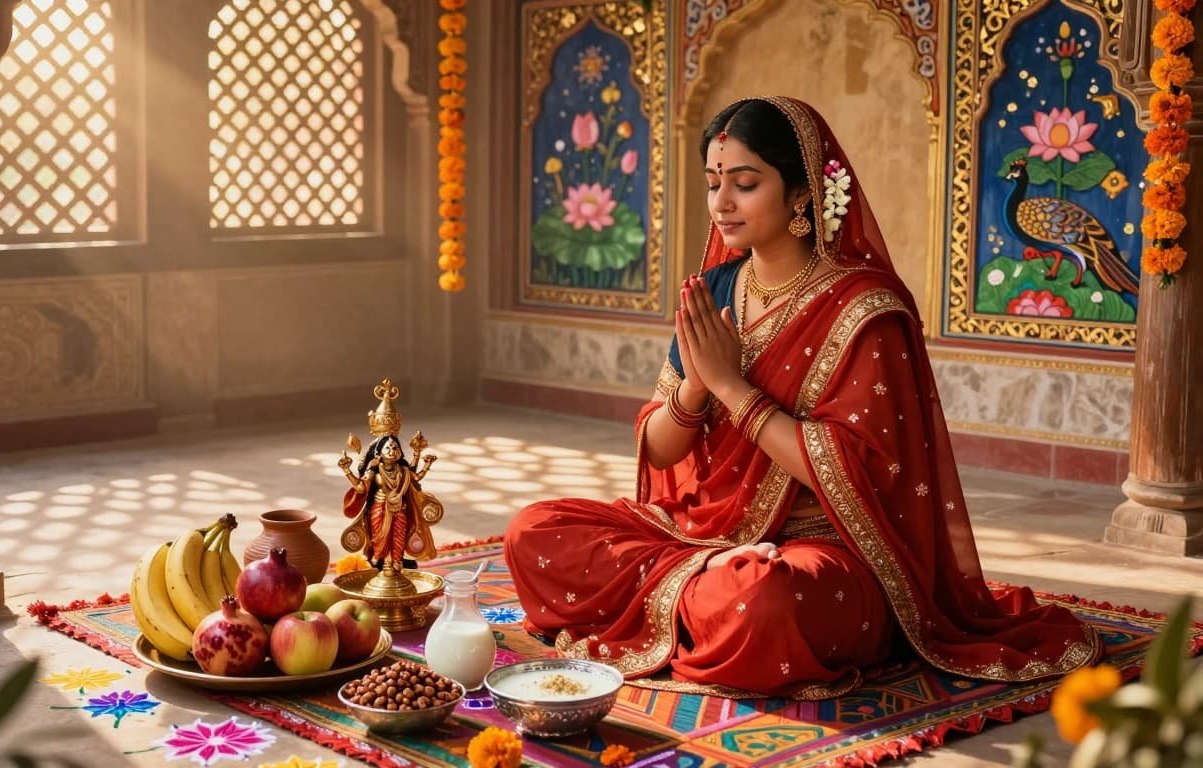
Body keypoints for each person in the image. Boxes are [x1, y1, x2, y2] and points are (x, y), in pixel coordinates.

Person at [504, 96, 1101, 699]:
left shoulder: (865, 310)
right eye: (714, 184)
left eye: (744, 183)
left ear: (800, 194)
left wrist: (734, 389)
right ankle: (699, 591)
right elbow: (660, 453)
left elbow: (859, 472)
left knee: (761, 600)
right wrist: (696, 384)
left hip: (825, 550)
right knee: (533, 531)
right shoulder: (714, 290)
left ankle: (696, 601)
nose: (721, 204)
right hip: (698, 537)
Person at [339, 432, 443, 573]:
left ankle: (397, 560)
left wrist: (427, 464)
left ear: (400, 452)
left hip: (400, 508)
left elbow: (416, 478)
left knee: (399, 534)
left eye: (395, 448)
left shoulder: (403, 470)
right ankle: (377, 559)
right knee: (379, 536)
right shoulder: (373, 471)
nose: (392, 451)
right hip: (379, 508)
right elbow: (360, 487)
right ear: (378, 453)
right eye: (387, 448)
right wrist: (346, 470)